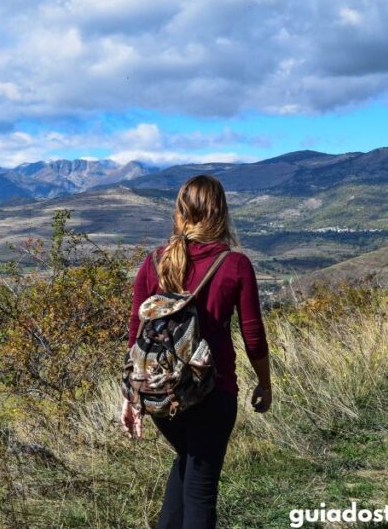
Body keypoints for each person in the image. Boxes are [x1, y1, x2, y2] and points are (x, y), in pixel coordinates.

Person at [122, 174, 271, 529]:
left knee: (188, 465)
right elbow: (253, 336)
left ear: (180, 212)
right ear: (221, 212)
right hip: (212, 392)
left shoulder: (154, 260)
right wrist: (265, 384)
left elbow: (136, 331)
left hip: (160, 393)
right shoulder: (234, 264)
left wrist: (130, 396)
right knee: (201, 493)